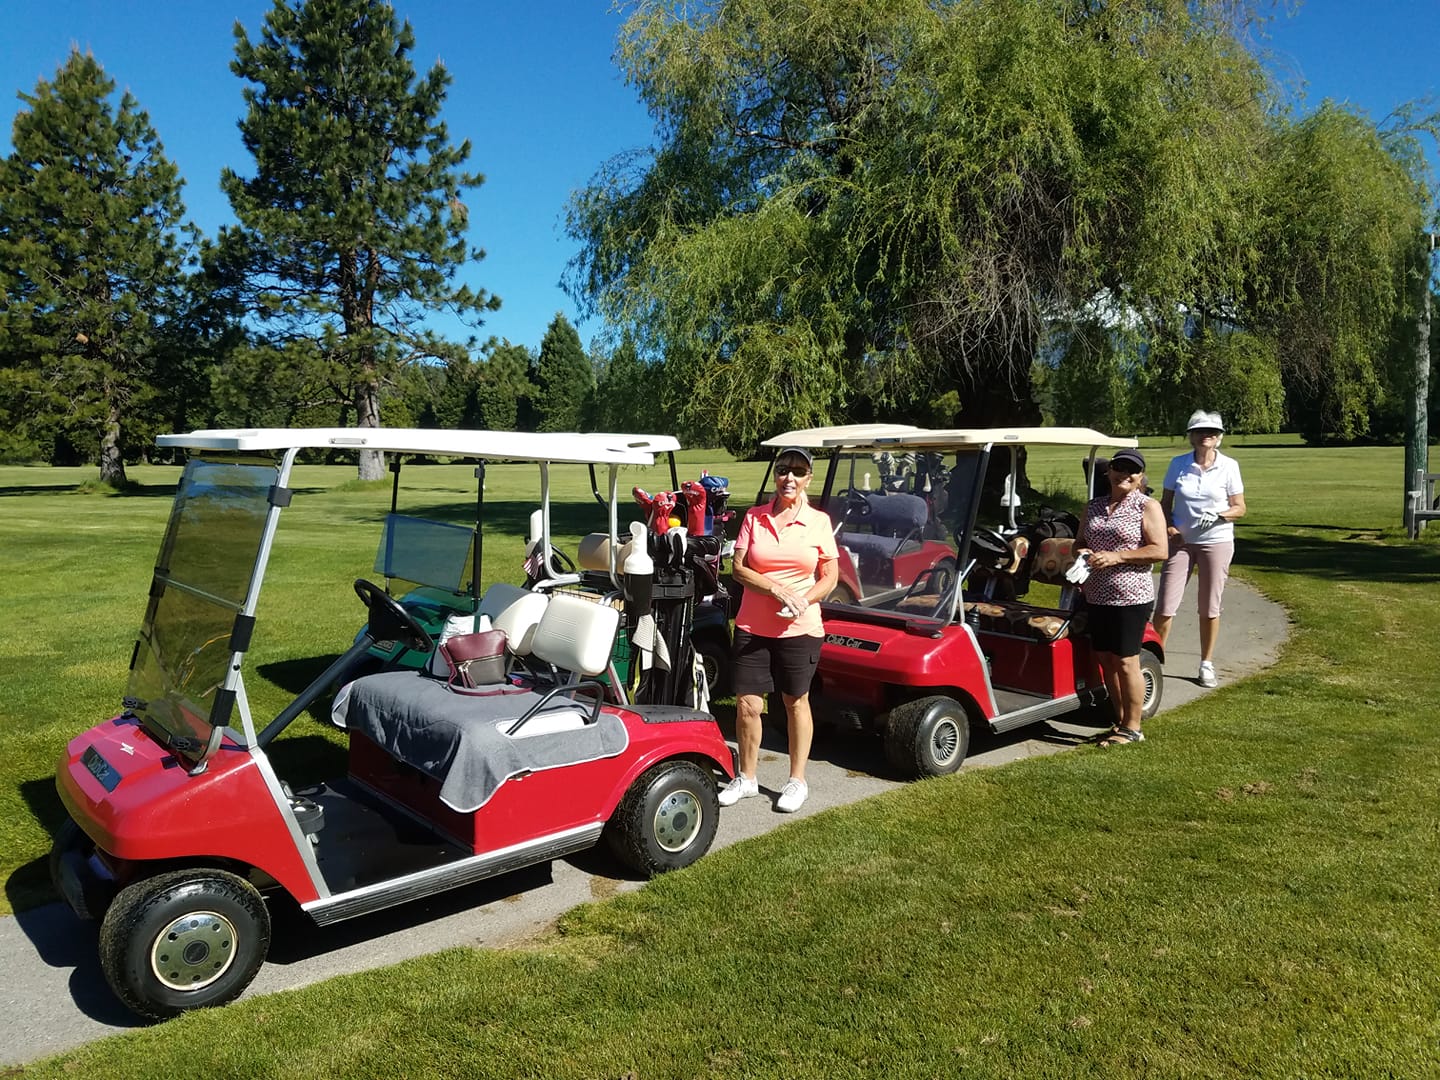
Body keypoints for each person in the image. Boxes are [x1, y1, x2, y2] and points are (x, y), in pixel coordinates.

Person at [720, 447, 839, 812]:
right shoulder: (754, 517)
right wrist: (775, 588)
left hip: (800, 628)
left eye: (798, 472)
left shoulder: (818, 521)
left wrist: (803, 599)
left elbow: (830, 575)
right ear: (775, 474)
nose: (789, 477)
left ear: (808, 479)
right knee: (747, 705)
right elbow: (739, 569)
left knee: (795, 702)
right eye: (784, 469)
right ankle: (748, 777)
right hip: (753, 626)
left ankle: (796, 780)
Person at [1075, 447, 1167, 747]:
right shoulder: (1093, 506)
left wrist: (1118, 557)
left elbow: (1159, 550)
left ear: (1140, 477)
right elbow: (1080, 542)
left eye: (1133, 471)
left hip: (1131, 596)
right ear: (1109, 472)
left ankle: (1133, 726)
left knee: (1127, 661)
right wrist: (1083, 553)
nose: (1125, 475)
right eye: (1119, 468)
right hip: (1097, 594)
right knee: (1106, 659)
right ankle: (1119, 720)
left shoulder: (1147, 506)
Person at [1153, 410, 1247, 688]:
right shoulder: (1178, 464)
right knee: (1166, 604)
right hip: (1180, 542)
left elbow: (1240, 507)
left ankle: (1206, 663)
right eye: (1201, 431)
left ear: (1218, 438)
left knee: (1209, 606)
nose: (1207, 436)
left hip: (1216, 541)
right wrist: (1169, 527)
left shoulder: (1229, 466)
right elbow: (1164, 503)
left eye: (1212, 432)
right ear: (1191, 436)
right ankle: (1153, 661)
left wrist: (1220, 515)